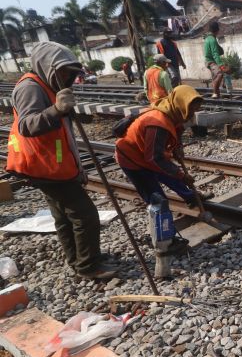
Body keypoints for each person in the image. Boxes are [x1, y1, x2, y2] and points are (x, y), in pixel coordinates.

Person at [6, 41, 118, 279]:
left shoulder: (47, 86)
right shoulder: (30, 87)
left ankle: (79, 260)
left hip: (51, 165)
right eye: (64, 71)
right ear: (48, 66)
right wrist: (56, 110)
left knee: (63, 217)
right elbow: (26, 126)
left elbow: (62, 135)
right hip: (44, 167)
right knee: (85, 215)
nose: (67, 76)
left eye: (71, 72)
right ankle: (89, 266)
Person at [115, 85, 207, 207]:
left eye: (195, 110)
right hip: (132, 158)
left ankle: (191, 197)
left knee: (170, 172)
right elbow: (154, 158)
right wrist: (182, 176)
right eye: (190, 110)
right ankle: (163, 221)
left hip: (148, 153)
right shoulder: (157, 124)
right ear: (180, 104)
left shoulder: (174, 112)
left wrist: (178, 147)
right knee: (158, 200)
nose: (192, 114)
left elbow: (177, 130)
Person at [204, 21, 225, 98]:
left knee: (216, 78)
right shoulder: (212, 40)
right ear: (217, 30)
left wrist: (221, 49)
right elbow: (215, 53)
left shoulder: (208, 38)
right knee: (220, 74)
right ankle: (215, 93)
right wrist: (221, 65)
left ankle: (217, 101)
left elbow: (216, 50)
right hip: (211, 62)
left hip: (209, 61)